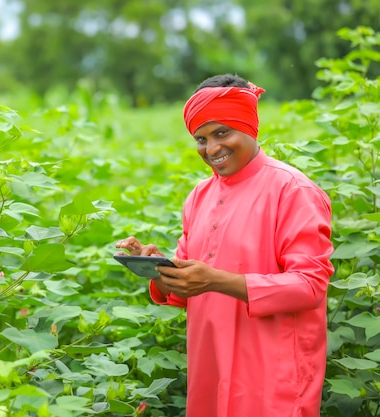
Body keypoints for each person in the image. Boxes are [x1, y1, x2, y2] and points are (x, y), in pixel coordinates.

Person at [115, 74, 334, 417]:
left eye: (222, 133)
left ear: (249, 126)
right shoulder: (200, 196)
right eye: (201, 139)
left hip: (272, 373)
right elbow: (189, 283)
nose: (211, 149)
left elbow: (310, 285)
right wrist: (160, 270)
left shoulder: (292, 191)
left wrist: (217, 279)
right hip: (210, 369)